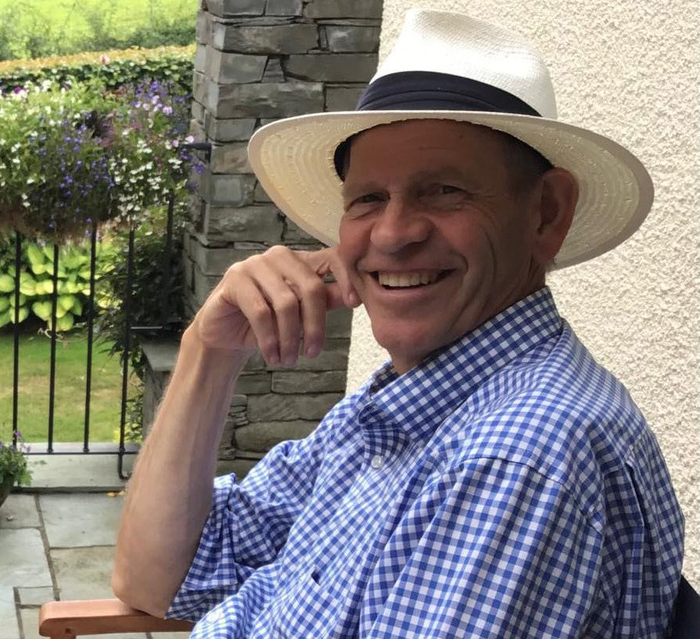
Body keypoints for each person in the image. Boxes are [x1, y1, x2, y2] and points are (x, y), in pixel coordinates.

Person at [112, 9, 684, 638]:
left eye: (444, 191)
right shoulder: (403, 409)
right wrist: (209, 348)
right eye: (368, 199)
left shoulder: (517, 453)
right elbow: (158, 578)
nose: (392, 234)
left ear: (546, 213)